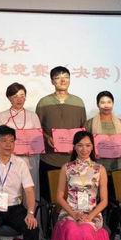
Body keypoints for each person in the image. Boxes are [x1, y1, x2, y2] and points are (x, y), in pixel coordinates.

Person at [48, 130, 121, 240]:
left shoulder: (99, 169)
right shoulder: (67, 167)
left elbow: (104, 200)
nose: (84, 149)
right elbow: (59, 197)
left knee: (85, 233)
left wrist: (90, 216)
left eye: (88, 145)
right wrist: (74, 214)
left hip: (92, 213)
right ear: (74, 147)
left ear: (92, 147)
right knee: (75, 231)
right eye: (80, 145)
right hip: (70, 213)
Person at [0, 82, 42, 240]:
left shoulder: (33, 116)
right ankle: (10, 238)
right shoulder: (2, 116)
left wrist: (30, 147)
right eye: (15, 96)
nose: (19, 99)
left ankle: (22, 238)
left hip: (29, 163)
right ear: (9, 98)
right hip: (9, 163)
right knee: (11, 198)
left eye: (22, 95)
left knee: (28, 199)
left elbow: (38, 141)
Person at [36, 66, 87, 204]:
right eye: (58, 78)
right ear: (52, 81)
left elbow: (83, 130)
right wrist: (47, 138)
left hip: (74, 160)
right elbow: (37, 128)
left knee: (74, 198)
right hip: (49, 159)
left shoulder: (78, 102)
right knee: (49, 199)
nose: (62, 80)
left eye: (66, 77)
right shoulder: (43, 102)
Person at [84, 91, 121, 172]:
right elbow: (86, 144)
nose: (106, 105)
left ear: (113, 104)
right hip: (96, 166)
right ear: (97, 104)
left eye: (109, 102)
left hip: (117, 166)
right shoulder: (90, 123)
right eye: (102, 102)